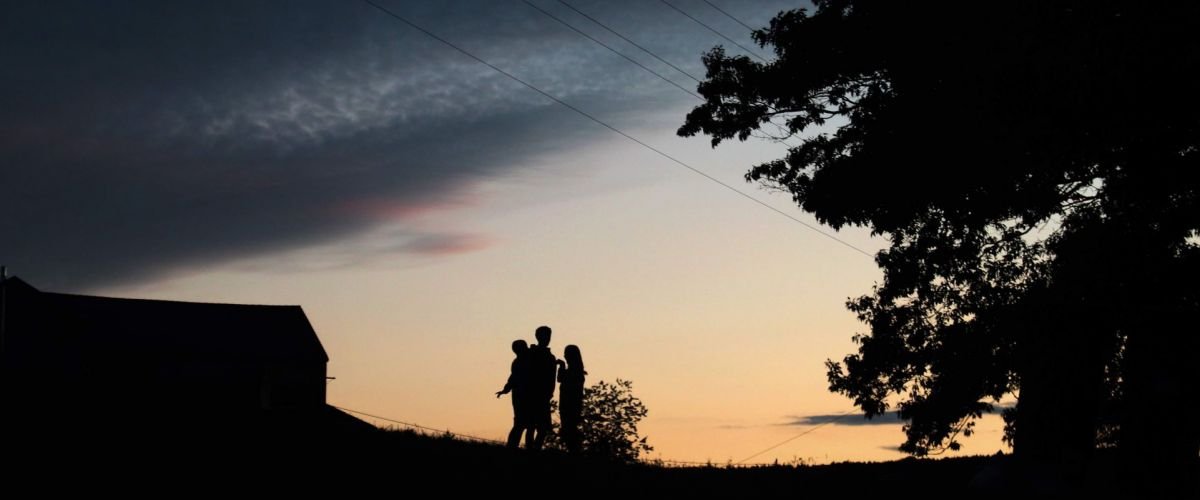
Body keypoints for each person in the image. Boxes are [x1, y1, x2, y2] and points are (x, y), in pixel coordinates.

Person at [496, 339, 532, 449]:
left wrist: (506, 389)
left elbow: (512, 379)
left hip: (525, 395)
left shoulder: (524, 360)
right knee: (522, 425)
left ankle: (517, 447)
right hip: (522, 396)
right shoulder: (519, 362)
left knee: (526, 425)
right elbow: (513, 378)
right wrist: (506, 389)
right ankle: (514, 447)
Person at [526, 325, 558, 450]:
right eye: (545, 336)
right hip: (533, 394)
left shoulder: (550, 357)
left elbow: (552, 378)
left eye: (549, 336)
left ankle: (535, 448)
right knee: (531, 426)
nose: (547, 338)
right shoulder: (531, 354)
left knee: (542, 428)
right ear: (538, 337)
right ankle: (531, 449)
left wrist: (550, 392)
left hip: (544, 395)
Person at [557, 344, 586, 454]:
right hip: (566, 405)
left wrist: (562, 366)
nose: (565, 355)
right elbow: (560, 379)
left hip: (570, 406)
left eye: (567, 354)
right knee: (568, 430)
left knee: (569, 431)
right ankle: (574, 452)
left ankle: (575, 452)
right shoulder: (575, 370)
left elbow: (561, 379)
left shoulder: (576, 371)